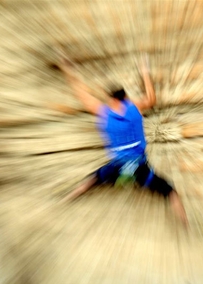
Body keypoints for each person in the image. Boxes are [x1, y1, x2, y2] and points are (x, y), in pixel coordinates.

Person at [55, 54, 188, 226]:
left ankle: (68, 198)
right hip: (139, 168)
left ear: (112, 99)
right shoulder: (134, 109)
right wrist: (145, 72)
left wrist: (68, 69)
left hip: (117, 167)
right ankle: (185, 222)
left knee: (91, 181)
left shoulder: (104, 112)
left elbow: (82, 95)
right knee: (170, 191)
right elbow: (151, 99)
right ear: (124, 98)